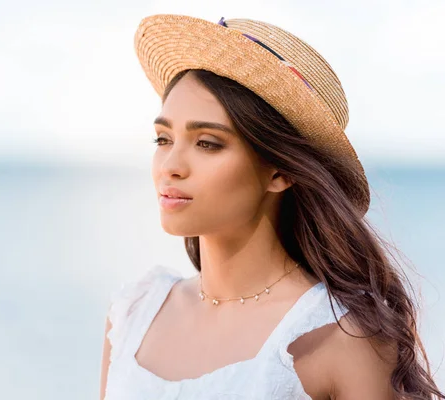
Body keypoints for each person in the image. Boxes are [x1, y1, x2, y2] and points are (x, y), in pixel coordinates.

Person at [99, 14, 444, 399]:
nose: (171, 166)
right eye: (163, 139)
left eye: (207, 143)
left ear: (280, 172)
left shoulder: (340, 338)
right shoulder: (134, 315)